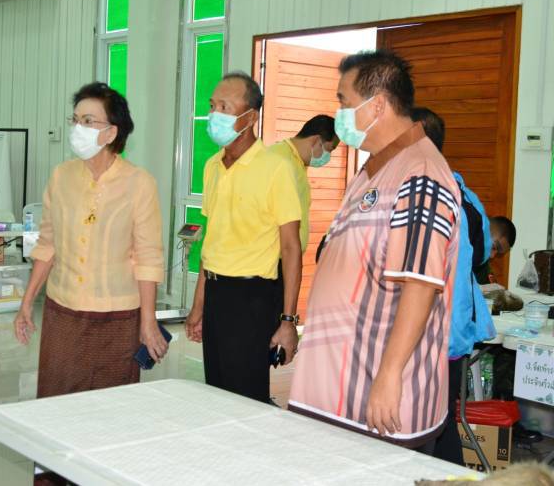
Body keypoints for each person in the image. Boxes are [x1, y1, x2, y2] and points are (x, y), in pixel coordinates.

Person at [288, 50, 461, 450]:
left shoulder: (421, 175)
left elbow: (420, 284)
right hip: (338, 386)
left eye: (344, 101)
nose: (339, 113)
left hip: (377, 395)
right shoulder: (374, 169)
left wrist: (389, 375)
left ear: (377, 105)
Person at [13, 82, 166, 398]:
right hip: (63, 312)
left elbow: (148, 258)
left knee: (109, 407)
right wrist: (27, 302)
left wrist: (148, 321)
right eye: (75, 119)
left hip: (117, 318)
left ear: (111, 133)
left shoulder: (139, 183)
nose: (77, 128)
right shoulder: (61, 176)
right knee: (57, 401)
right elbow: (47, 245)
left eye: (87, 121)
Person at [185, 72, 303, 403]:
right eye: (212, 106)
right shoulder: (212, 166)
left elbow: (291, 248)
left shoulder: (276, 168)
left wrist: (288, 321)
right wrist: (198, 306)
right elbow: (212, 242)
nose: (214, 114)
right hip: (216, 292)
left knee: (246, 397)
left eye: (224, 107)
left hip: (252, 297)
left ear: (250, 117)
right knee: (217, 391)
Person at [412, 106, 496, 465]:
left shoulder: (428, 192)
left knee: (421, 427)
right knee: (441, 420)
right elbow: (482, 254)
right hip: (453, 330)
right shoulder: (464, 192)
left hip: (428, 330)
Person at [270, 114, 340, 253]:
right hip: (274, 257)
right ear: (316, 140)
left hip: (287, 256)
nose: (328, 156)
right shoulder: (278, 159)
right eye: (330, 149)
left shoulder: (298, 162)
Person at [474, 216, 516, 285]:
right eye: (493, 247)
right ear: (487, 229)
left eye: (497, 253)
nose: (492, 256)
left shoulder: (482, 265)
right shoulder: (459, 232)